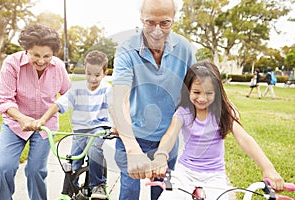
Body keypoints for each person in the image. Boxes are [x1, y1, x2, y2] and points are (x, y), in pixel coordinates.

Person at [151, 61, 285, 200]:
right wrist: (161, 155)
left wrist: (268, 167)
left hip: (215, 175)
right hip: (185, 171)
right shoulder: (183, 112)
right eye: (196, 92)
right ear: (187, 90)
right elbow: (170, 135)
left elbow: (244, 138)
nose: (202, 98)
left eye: (209, 93)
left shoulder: (223, 112)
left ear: (218, 92)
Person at [109, 0, 197, 199]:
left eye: (164, 23)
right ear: (141, 20)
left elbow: (197, 88)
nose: (157, 30)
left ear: (173, 21)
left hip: (166, 138)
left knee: (162, 193)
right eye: (150, 22)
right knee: (129, 191)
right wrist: (132, 149)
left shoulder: (184, 48)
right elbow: (120, 99)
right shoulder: (126, 49)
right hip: (132, 134)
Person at [0, 24, 71, 200]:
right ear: (26, 50)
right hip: (15, 124)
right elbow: (5, 99)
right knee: (3, 168)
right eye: (36, 55)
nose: (42, 61)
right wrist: (22, 119)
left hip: (45, 126)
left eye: (47, 56)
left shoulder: (58, 67)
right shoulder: (12, 64)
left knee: (36, 170)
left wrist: (47, 116)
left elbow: (68, 93)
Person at [28, 50, 112, 199]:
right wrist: (42, 120)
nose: (92, 78)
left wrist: (117, 127)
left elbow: (115, 109)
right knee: (72, 160)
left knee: (94, 151)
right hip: (79, 131)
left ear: (104, 73)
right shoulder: (77, 89)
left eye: (97, 75)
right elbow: (58, 104)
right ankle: (71, 189)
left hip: (98, 129)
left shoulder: (107, 89)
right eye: (89, 73)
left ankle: (98, 185)